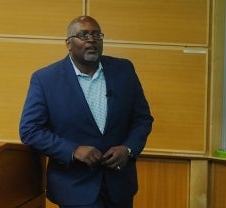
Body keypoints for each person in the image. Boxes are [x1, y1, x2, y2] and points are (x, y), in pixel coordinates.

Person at [19, 15, 154, 208]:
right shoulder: (46, 79)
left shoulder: (124, 70)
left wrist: (128, 149)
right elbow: (30, 130)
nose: (91, 40)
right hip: (74, 188)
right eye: (83, 35)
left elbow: (142, 119)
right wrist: (72, 150)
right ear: (68, 43)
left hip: (119, 186)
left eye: (96, 34)